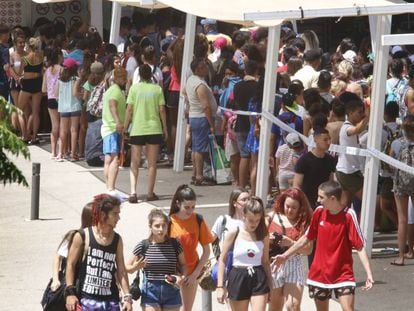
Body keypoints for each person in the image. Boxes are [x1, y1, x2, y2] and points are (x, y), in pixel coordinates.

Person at [272, 181, 374, 311]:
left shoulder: (349, 215)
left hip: (343, 274)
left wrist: (369, 274)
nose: (318, 200)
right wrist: (285, 256)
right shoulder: (319, 212)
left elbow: (359, 246)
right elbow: (306, 238)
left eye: (321, 197)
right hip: (319, 274)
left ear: (332, 199)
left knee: (348, 308)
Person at [65, 194, 133, 311]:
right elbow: (70, 265)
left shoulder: (117, 240)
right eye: (115, 214)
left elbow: (121, 270)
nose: (118, 218)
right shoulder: (82, 236)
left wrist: (127, 296)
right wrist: (70, 293)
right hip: (86, 300)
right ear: (102, 215)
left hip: (111, 301)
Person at [216, 197, 273, 311]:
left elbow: (265, 261)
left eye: (257, 220)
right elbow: (222, 259)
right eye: (251, 220)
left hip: (258, 276)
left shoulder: (263, 235)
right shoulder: (234, 232)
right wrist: (220, 286)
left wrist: (271, 285)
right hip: (238, 275)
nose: (254, 224)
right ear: (244, 216)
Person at [126, 208, 187, 311]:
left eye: (164, 225)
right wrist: (135, 267)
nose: (161, 229)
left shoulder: (175, 244)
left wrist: (182, 277)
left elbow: (184, 264)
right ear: (150, 227)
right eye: (157, 226)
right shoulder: (143, 245)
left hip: (172, 290)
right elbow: (127, 267)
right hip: (150, 292)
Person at [124, 64, 168, 203]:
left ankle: (133, 192)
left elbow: (129, 109)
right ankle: (150, 193)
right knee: (152, 163)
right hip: (154, 128)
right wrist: (165, 128)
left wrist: (125, 128)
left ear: (139, 75)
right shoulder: (157, 89)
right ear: (152, 75)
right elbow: (162, 110)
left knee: (134, 161)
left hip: (137, 128)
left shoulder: (134, 89)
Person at [168, 185, 215, 311]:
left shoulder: (198, 220)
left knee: (186, 309)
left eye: (193, 207)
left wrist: (195, 273)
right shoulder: (169, 222)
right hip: (173, 272)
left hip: (191, 272)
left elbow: (206, 250)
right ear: (178, 204)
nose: (190, 211)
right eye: (187, 207)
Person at [268, 188, 313, 311]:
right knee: (275, 307)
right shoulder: (271, 217)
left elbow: (308, 250)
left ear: (300, 207)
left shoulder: (304, 222)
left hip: (295, 262)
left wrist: (291, 243)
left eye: (294, 207)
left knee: (293, 306)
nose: (289, 210)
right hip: (274, 263)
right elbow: (258, 239)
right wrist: (269, 239)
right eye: (287, 206)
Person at [185, 58, 217, 186]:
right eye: (204, 67)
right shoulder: (199, 85)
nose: (206, 69)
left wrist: (192, 102)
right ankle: (199, 175)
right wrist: (211, 124)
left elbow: (184, 92)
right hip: (201, 117)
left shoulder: (191, 81)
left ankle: (195, 173)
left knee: (196, 147)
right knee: (199, 149)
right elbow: (206, 106)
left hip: (195, 116)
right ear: (198, 69)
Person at [49, 203, 93, 292]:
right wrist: (55, 279)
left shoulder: (103, 239)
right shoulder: (74, 236)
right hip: (73, 282)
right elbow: (58, 257)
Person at [335, 96, 369, 208]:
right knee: (368, 200)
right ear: (350, 113)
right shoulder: (346, 128)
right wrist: (368, 115)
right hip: (348, 172)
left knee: (345, 204)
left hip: (345, 170)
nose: (362, 115)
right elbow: (357, 130)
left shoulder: (350, 126)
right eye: (359, 112)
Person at [390, 114, 414, 266]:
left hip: (400, 183)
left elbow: (390, 162)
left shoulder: (397, 143)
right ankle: (412, 250)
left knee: (402, 219)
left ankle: (401, 256)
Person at [293, 128, 336, 209]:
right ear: (316, 140)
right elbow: (297, 184)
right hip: (306, 203)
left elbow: (330, 182)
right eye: (325, 140)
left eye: (329, 139)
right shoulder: (304, 160)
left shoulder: (330, 160)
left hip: (323, 203)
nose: (329, 142)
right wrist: (303, 203)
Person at [101, 67, 127, 195]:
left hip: (108, 128)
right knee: (114, 159)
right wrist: (117, 122)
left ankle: (109, 187)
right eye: (122, 77)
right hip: (112, 128)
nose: (125, 79)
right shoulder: (115, 91)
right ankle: (111, 188)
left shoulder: (112, 90)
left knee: (108, 159)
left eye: (124, 76)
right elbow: (113, 106)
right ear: (116, 78)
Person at [17, 37, 44, 144]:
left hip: (27, 85)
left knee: (19, 110)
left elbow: (19, 73)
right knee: (35, 111)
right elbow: (41, 71)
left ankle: (24, 135)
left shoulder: (25, 58)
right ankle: (34, 136)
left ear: (29, 46)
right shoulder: (41, 57)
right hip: (37, 84)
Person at [56, 58, 82, 162]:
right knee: (74, 130)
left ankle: (60, 153)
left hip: (63, 107)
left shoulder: (59, 80)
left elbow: (56, 93)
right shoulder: (76, 79)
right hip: (74, 105)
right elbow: (75, 93)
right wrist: (82, 95)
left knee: (63, 131)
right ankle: (73, 154)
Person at [42, 47, 62, 159]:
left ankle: (53, 152)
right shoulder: (62, 69)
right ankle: (60, 152)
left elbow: (43, 89)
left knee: (54, 126)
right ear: (59, 56)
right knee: (62, 126)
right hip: (60, 99)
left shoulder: (47, 71)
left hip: (50, 99)